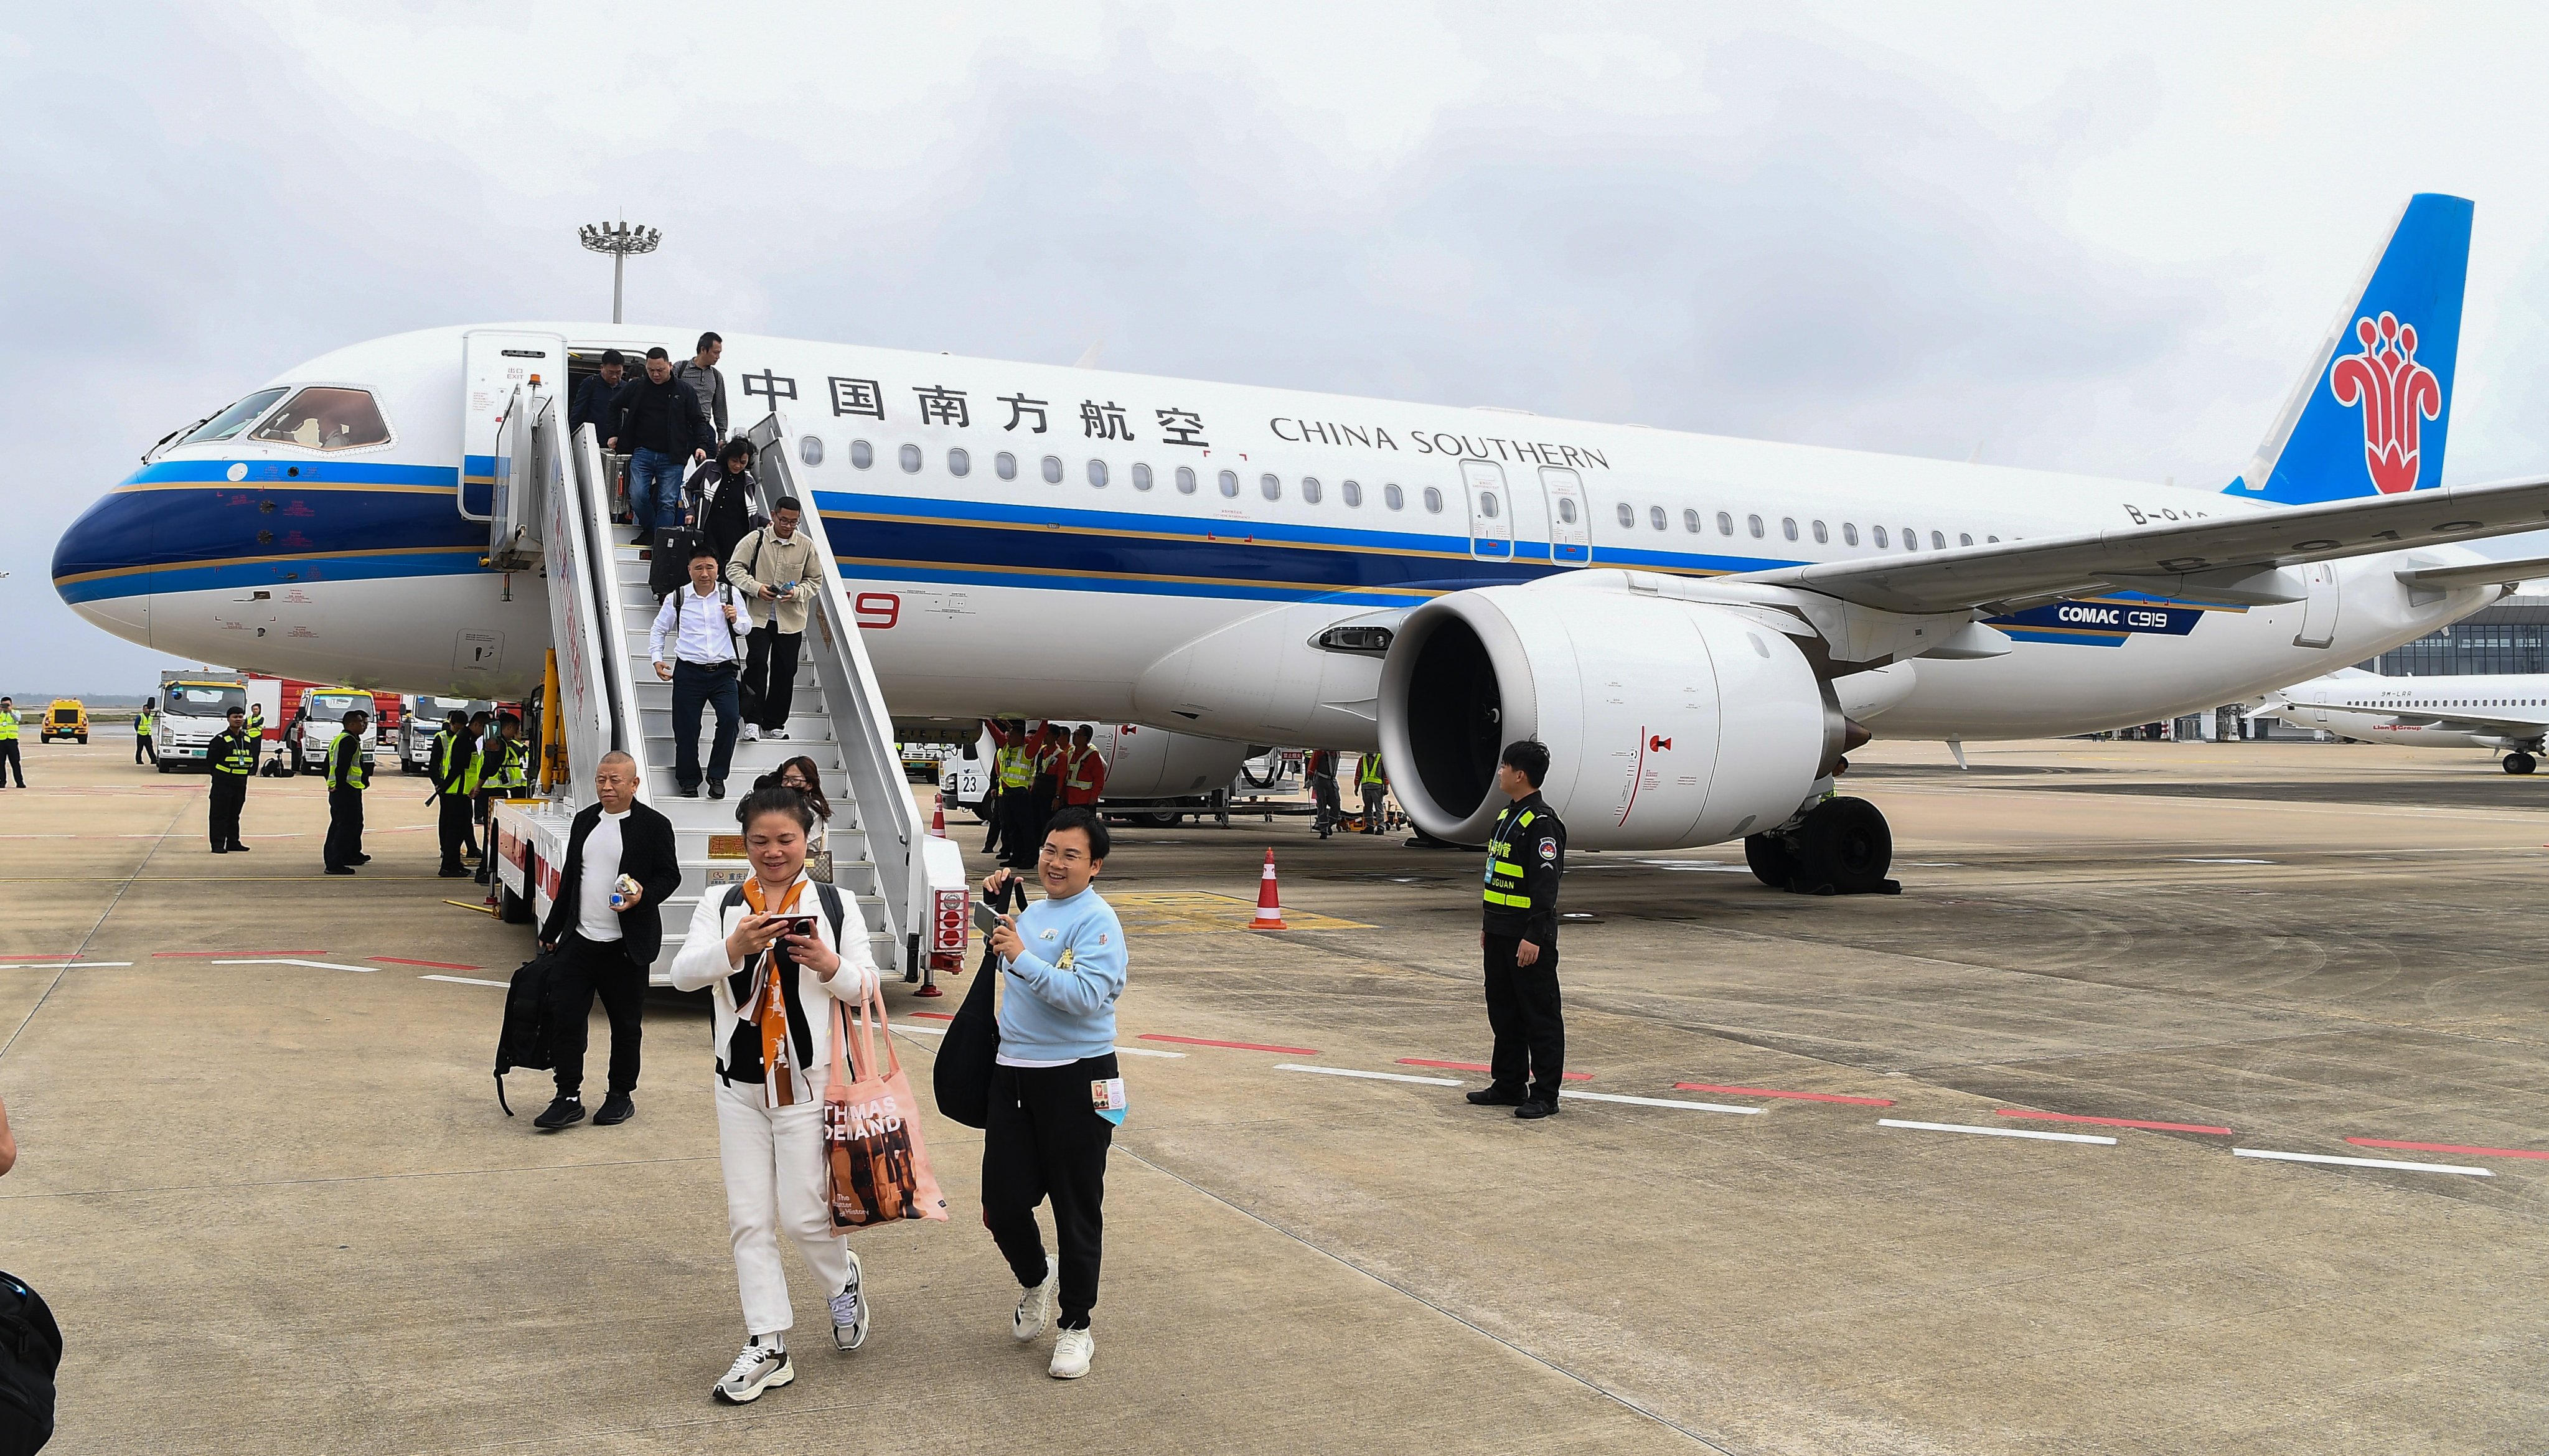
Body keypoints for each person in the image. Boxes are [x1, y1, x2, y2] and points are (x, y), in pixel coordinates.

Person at [669, 787, 882, 1405]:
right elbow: (683, 973)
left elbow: (867, 984)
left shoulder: (836, 904)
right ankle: (769, 1343)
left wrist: (827, 961)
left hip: (806, 1084)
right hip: (737, 1084)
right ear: (745, 842)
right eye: (759, 840)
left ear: (808, 840)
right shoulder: (722, 901)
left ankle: (842, 1280)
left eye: (785, 839)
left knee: (805, 1213)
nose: (773, 851)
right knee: (749, 1219)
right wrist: (734, 947)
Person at [980, 805, 1127, 1381]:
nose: (1055, 861)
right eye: (1048, 848)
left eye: (1071, 854)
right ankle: (1037, 1275)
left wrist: (1021, 956)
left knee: (1075, 1205)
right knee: (1002, 1203)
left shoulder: (1098, 921)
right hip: (1013, 1073)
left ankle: (1076, 1325)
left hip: (1078, 1075)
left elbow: (1087, 995)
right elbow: (1015, 956)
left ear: (1095, 865)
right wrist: (995, 909)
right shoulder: (1034, 912)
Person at [533, 751, 682, 1131]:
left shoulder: (653, 825)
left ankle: (620, 1095)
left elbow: (670, 876)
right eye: (601, 779)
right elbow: (571, 881)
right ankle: (567, 1096)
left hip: (626, 945)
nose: (607, 786)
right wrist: (551, 933)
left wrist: (642, 896)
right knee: (566, 1020)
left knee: (626, 1025)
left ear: (634, 784)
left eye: (616, 780)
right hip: (580, 940)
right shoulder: (585, 821)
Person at [1464, 740, 1569, 1120]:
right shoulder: (1507, 817)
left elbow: (1545, 888)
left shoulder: (1541, 824)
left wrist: (1535, 936)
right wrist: (1489, 926)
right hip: (1500, 932)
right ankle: (1508, 1083)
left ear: (1520, 775)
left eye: (1504, 766)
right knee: (1504, 1012)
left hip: (1527, 937)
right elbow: (1498, 878)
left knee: (1538, 1015)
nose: (1500, 772)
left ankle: (1545, 1094)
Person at [650, 540, 745, 799]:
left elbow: (746, 627)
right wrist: (657, 658)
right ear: (689, 570)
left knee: (729, 720)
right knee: (686, 728)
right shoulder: (677, 597)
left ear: (718, 569)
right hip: (689, 672)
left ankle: (717, 776)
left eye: (710, 568)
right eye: (699, 568)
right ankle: (688, 779)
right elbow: (659, 629)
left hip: (724, 671)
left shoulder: (730, 594)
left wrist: (736, 618)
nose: (705, 574)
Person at [727, 494, 824, 746]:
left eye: (794, 522)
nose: (789, 526)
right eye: (784, 520)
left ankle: (775, 723)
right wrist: (756, 588)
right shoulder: (756, 539)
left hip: (790, 619)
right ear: (773, 515)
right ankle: (752, 720)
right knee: (757, 664)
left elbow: (815, 581)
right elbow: (733, 568)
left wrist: (797, 593)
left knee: (786, 671)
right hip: (758, 615)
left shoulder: (807, 546)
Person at [604, 346, 712, 545]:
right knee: (636, 496)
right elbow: (614, 405)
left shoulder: (683, 390)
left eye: (660, 370)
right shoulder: (638, 387)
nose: (655, 374)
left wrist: (701, 445)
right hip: (643, 451)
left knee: (667, 501)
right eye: (651, 370)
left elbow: (698, 420)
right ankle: (653, 530)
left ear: (670, 366)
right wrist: (614, 433)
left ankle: (660, 541)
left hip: (673, 455)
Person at [474, 713, 530, 887]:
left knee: (494, 834)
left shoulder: (502, 743)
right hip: (492, 792)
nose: (517, 732)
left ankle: (489, 869)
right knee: (492, 835)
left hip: (495, 792)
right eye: (516, 728)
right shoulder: (498, 745)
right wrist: (478, 786)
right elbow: (489, 767)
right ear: (509, 727)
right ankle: (485, 870)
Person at [690, 437, 760, 572]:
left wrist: (766, 521)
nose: (738, 466)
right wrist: (690, 511)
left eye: (743, 462)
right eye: (734, 461)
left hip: (735, 533)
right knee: (709, 565)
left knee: (730, 569)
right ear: (727, 457)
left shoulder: (749, 481)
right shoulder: (710, 467)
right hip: (709, 528)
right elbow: (687, 487)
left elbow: (749, 509)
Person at [321, 708, 372, 876]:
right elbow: (342, 766)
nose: (364, 725)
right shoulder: (348, 741)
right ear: (351, 724)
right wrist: (339, 785)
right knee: (343, 826)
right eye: (360, 722)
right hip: (346, 791)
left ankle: (344, 856)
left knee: (344, 824)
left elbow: (327, 766)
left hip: (346, 789)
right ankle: (334, 862)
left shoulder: (341, 739)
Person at [431, 709, 479, 877]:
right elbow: (457, 767)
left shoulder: (464, 737)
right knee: (453, 829)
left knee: (460, 828)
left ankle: (455, 862)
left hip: (460, 790)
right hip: (454, 790)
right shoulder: (461, 739)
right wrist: (441, 785)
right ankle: (448, 865)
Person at [206, 705, 260, 853]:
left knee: (234, 814)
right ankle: (217, 844)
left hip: (240, 782)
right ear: (228, 719)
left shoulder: (247, 740)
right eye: (235, 717)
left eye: (241, 717)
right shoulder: (220, 739)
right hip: (223, 783)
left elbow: (252, 758)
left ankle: (233, 842)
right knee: (219, 815)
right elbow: (211, 761)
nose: (238, 719)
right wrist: (219, 776)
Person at [674, 331, 731, 446]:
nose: (718, 357)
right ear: (703, 350)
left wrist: (722, 437)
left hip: (705, 427)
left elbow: (720, 407)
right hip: (681, 426)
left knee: (708, 463)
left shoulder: (716, 376)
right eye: (715, 353)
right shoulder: (680, 368)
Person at [460, 710, 493, 862]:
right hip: (461, 790)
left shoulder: (469, 739)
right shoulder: (465, 740)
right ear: (477, 724)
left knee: (466, 822)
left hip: (467, 790)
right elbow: (458, 767)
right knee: (458, 827)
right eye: (484, 728)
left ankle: (470, 850)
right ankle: (450, 864)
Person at [570, 349, 627, 435]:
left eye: (618, 373)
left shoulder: (626, 388)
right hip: (593, 437)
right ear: (602, 368)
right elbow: (578, 411)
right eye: (610, 373)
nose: (615, 377)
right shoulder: (590, 383)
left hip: (617, 440)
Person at [1030, 721, 1069, 844]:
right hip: (1037, 791)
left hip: (1049, 793)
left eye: (1047, 735)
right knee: (1035, 822)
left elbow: (1061, 777)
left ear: (1055, 737)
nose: (1045, 737)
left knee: (1046, 823)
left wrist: (1057, 797)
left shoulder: (1061, 755)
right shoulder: (1041, 751)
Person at [1059, 724, 1106, 810]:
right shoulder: (1070, 753)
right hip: (1069, 798)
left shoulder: (1093, 755)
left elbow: (1099, 778)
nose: (1074, 737)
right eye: (1074, 734)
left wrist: (1094, 796)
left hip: (1085, 800)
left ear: (1086, 739)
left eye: (1078, 735)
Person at [1305, 749, 1341, 838]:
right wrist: (1310, 778)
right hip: (1321, 780)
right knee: (1322, 806)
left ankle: (1329, 824)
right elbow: (1313, 763)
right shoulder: (1320, 752)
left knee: (1336, 805)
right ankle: (1323, 830)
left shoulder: (1337, 753)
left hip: (1332, 780)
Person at [1356, 750, 1387, 834]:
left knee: (1379, 808)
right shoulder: (1363, 759)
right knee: (1367, 808)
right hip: (1366, 787)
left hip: (1377, 787)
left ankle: (1381, 827)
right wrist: (1356, 787)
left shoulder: (1380, 759)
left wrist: (1386, 787)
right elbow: (1358, 774)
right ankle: (1370, 826)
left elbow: (1385, 774)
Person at [0, 698, 22, 789]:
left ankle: (19, 782)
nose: (6, 707)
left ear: (11, 705)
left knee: (15, 762)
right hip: (1, 741)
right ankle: (2, 782)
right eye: (3, 705)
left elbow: (18, 719)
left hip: (12, 741)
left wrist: (10, 711)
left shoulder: (15, 713)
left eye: (7, 705)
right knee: (1, 763)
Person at [135, 698, 156, 764]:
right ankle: (139, 761)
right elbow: (136, 725)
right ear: (143, 709)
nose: (148, 710)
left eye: (148, 709)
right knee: (140, 749)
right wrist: (138, 731)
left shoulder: (150, 717)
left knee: (150, 749)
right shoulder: (140, 716)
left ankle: (154, 760)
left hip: (148, 735)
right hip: (141, 735)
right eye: (146, 709)